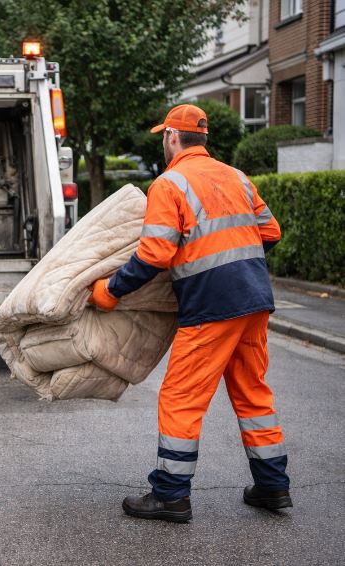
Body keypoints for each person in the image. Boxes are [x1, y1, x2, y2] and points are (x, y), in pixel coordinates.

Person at [88, 104, 290, 522]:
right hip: (254, 300)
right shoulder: (235, 176)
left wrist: (110, 292)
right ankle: (272, 487)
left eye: (164, 136)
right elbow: (270, 232)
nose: (164, 141)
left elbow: (153, 255)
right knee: (254, 394)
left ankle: (171, 495)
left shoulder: (170, 184)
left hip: (211, 307)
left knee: (181, 397)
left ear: (172, 138)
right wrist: (237, 264)